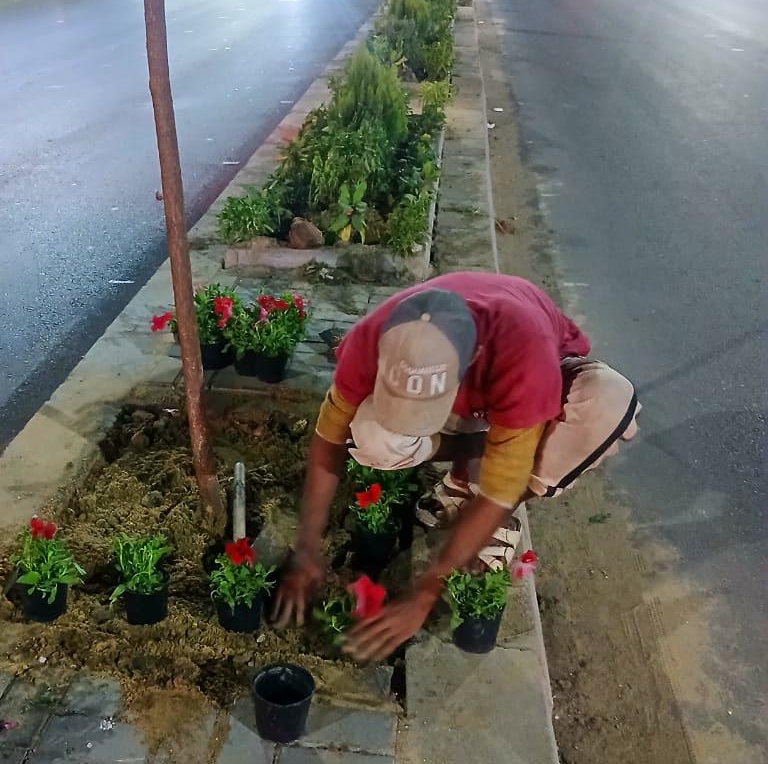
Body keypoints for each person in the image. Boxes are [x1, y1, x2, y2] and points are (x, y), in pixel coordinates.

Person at [272, 271, 640, 662]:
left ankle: (485, 498)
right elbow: (327, 442)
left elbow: (503, 486)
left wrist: (425, 591)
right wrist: (307, 547)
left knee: (607, 403)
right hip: (476, 406)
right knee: (370, 436)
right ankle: (468, 469)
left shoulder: (524, 356)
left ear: (473, 358)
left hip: (542, 383)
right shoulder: (369, 337)